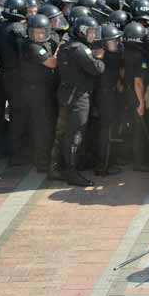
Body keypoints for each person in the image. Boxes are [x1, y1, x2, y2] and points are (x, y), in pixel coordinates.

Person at [54, 16, 105, 186]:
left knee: (69, 132)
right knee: (75, 134)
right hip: (78, 96)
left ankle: (69, 164)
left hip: (67, 93)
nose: (93, 36)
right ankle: (71, 171)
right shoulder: (80, 49)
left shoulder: (66, 47)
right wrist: (98, 57)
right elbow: (97, 68)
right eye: (90, 32)